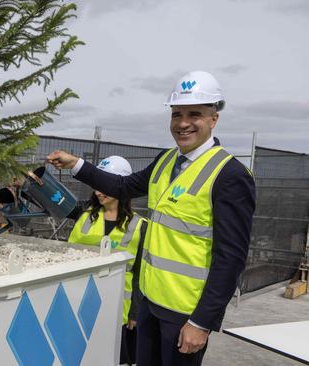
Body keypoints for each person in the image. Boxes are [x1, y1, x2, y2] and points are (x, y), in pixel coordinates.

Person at [47, 71, 256, 366]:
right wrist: (76, 164)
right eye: (176, 114)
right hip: (149, 303)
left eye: (194, 114)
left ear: (214, 118)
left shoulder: (229, 175)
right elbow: (122, 187)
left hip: (185, 314)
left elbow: (231, 258)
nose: (183, 123)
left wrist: (202, 322)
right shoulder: (165, 160)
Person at [67, 156, 147, 365]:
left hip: (118, 311)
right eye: (97, 186)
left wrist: (135, 313)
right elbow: (52, 198)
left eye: (105, 185)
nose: (99, 191)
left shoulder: (139, 226)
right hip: (78, 302)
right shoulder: (83, 214)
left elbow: (140, 272)